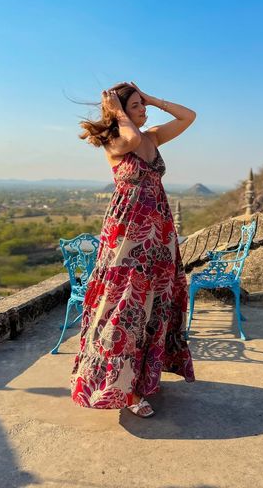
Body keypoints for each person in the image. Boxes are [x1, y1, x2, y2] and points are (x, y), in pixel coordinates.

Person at [70, 81, 196, 418]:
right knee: (124, 306)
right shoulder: (117, 140)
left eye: (144, 105)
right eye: (137, 106)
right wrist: (117, 114)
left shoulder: (152, 136)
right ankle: (122, 390)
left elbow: (189, 116)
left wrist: (153, 98)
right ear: (121, 112)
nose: (145, 111)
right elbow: (131, 140)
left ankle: (142, 380)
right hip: (126, 234)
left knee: (155, 305)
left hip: (159, 234)